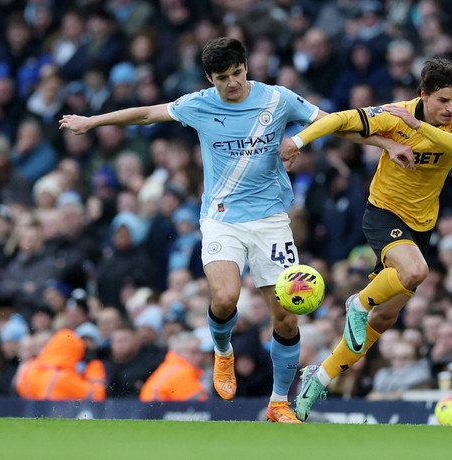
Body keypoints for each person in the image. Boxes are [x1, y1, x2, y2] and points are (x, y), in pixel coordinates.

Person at [60, 37, 398, 423]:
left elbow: (336, 123)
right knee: (225, 299)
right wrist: (92, 121)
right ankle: (223, 352)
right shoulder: (198, 104)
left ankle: (278, 403)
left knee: (286, 317)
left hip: (271, 220)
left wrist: (384, 143)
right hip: (221, 217)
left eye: (237, 73)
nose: (233, 83)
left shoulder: (278, 99)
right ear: (210, 78)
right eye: (223, 78)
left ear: (246, 67)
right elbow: (145, 114)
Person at [280, 57, 452, 420]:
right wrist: (299, 140)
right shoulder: (394, 115)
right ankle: (357, 303)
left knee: (384, 319)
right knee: (415, 272)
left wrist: (418, 125)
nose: (450, 107)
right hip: (384, 213)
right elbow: (339, 120)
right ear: (423, 94)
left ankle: (318, 378)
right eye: (442, 100)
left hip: (422, 224)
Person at [15, 329, 105, 401]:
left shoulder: (29, 367)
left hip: (28, 419)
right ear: (74, 353)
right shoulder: (64, 378)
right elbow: (96, 396)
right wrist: (94, 365)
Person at [139, 331, 209, 402]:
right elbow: (201, 403)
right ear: (178, 352)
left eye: (200, 352)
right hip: (156, 411)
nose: (200, 356)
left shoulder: (170, 368)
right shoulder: (181, 372)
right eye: (193, 352)